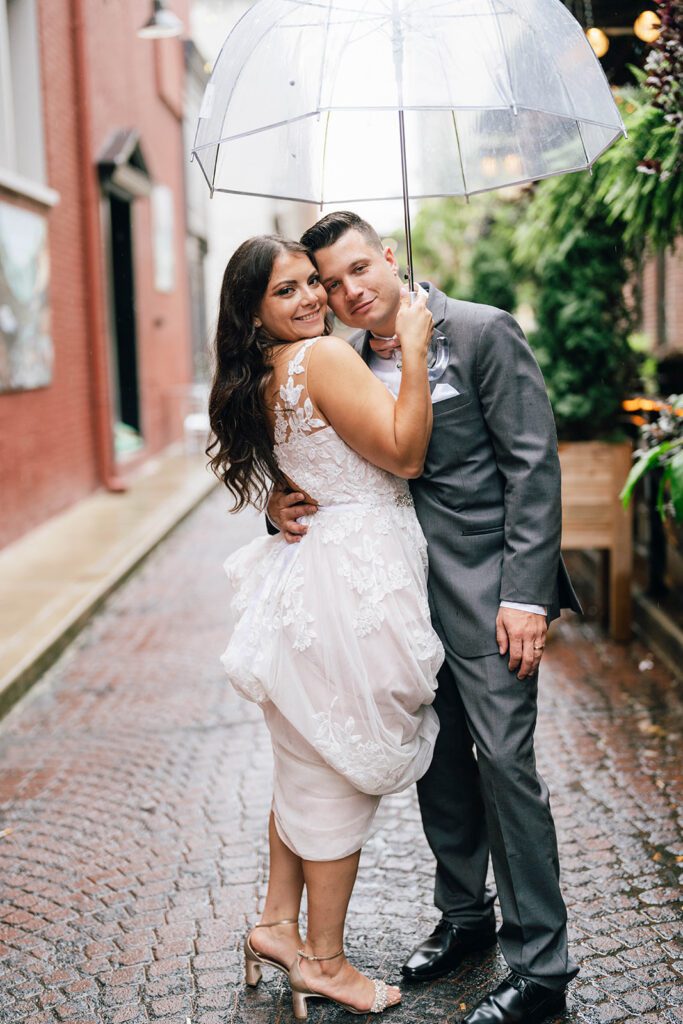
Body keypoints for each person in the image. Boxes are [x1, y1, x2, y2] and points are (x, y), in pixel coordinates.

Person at [268, 211, 582, 1024]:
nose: (349, 291)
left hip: (488, 596)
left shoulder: (480, 332)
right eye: (332, 282)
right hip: (396, 601)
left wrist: (525, 595)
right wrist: (280, 504)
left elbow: (530, 467)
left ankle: (541, 968)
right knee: (439, 769)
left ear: (390, 255)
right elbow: (335, 458)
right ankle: (466, 919)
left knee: (506, 769)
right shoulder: (339, 359)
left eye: (360, 268)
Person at [208, 234, 445, 1019]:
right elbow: (405, 455)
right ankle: (326, 961)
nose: (313, 298)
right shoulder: (325, 360)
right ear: (252, 311)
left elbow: (306, 464)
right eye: (288, 291)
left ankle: (278, 924)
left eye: (313, 282)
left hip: (309, 574)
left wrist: (280, 498)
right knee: (340, 770)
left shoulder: (264, 372)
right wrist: (411, 348)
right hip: (352, 580)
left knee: (306, 761)